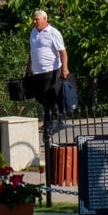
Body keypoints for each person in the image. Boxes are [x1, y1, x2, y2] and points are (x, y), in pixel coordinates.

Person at [24, 10, 70, 138]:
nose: (34, 22)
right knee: (38, 96)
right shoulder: (33, 32)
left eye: (36, 19)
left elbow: (63, 52)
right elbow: (32, 51)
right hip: (37, 71)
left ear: (45, 19)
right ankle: (57, 115)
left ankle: (48, 126)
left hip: (51, 70)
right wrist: (28, 67)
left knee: (46, 97)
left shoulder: (53, 33)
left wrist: (65, 69)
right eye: (34, 19)